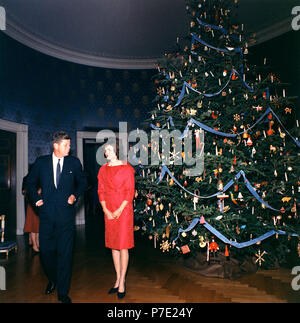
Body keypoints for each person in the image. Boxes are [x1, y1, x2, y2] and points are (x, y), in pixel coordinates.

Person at [26, 131, 87, 303]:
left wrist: (75, 195)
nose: (70, 147)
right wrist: (36, 199)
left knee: (66, 255)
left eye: (69, 144)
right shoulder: (41, 163)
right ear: (56, 146)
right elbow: (29, 183)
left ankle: (63, 292)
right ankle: (53, 279)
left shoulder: (74, 163)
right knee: (46, 253)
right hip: (46, 217)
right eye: (66, 145)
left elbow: (83, 182)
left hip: (66, 218)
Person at [97, 139, 135, 299]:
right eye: (105, 150)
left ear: (117, 151)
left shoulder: (127, 168)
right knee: (113, 245)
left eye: (110, 150)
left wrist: (119, 210)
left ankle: (122, 281)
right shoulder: (102, 170)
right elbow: (101, 191)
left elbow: (129, 191)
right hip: (109, 210)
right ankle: (118, 277)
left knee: (123, 245)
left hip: (124, 210)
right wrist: (106, 209)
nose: (107, 153)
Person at [23, 187, 41, 253]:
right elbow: (26, 191)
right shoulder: (30, 180)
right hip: (32, 205)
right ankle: (34, 245)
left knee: (37, 225)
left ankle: (37, 243)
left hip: (39, 205)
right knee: (32, 225)